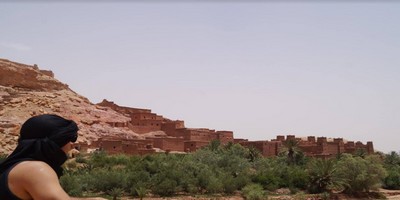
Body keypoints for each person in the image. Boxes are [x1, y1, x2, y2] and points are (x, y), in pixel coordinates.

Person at [0, 114, 79, 200]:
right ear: (55, 143)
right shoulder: (35, 169)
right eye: (70, 139)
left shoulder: (13, 168)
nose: (72, 145)